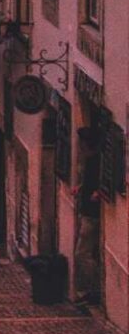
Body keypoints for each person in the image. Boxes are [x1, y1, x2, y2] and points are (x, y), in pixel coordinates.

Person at [74, 127, 101, 305]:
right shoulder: (91, 160)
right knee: (84, 253)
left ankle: (92, 290)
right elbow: (90, 181)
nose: (79, 145)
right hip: (86, 213)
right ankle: (89, 290)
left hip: (91, 215)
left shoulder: (96, 161)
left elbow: (100, 183)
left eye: (81, 142)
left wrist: (97, 192)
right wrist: (81, 187)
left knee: (82, 254)